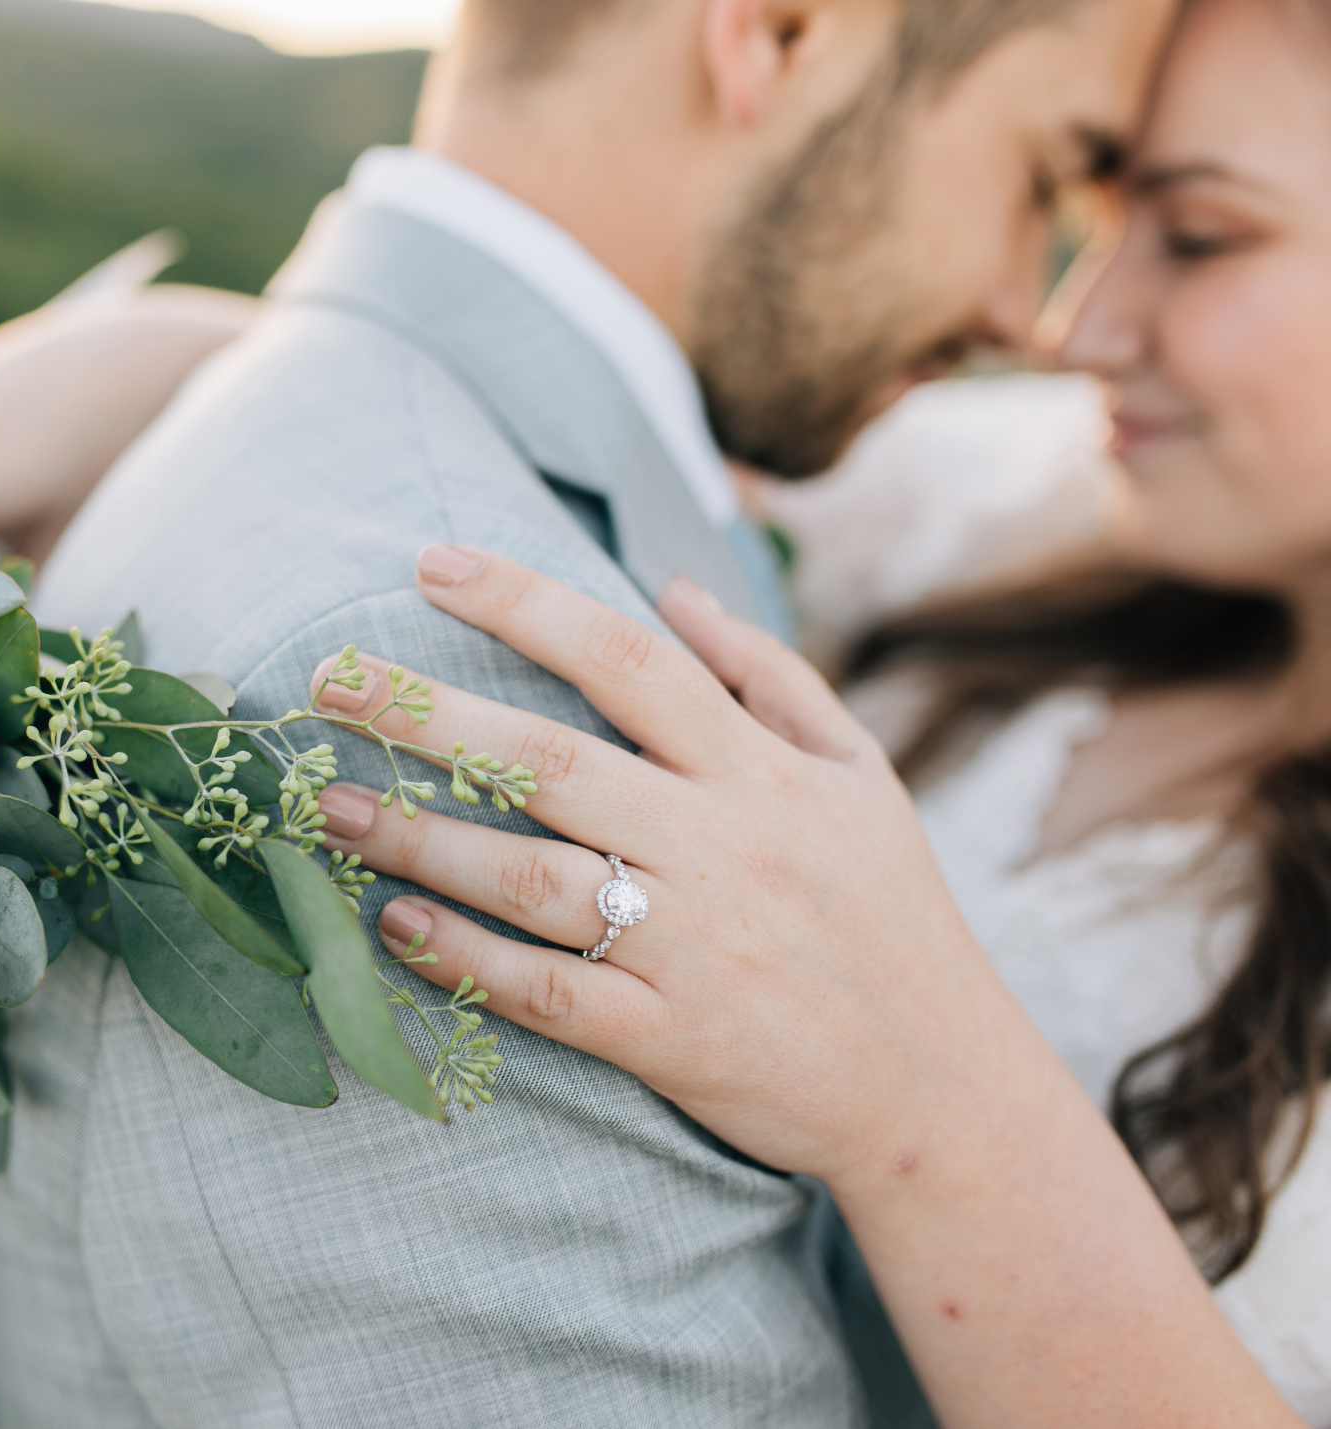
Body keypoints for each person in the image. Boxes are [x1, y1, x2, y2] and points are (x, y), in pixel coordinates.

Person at [0, 1, 1176, 1424]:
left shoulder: (364, 436)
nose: (1035, 307)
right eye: (1043, 176)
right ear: (777, 33)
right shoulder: (444, 678)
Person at [302, 0, 1331, 1422]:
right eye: (1080, 210)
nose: (1077, 327)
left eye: (1202, 237)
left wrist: (929, 1097)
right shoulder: (1019, 506)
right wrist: (210, 360)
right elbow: (596, 375)